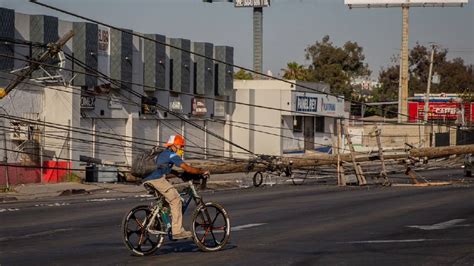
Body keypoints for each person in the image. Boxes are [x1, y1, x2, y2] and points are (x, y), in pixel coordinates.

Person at [143, 134, 209, 240]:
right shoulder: (171, 155)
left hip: (147, 179)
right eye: (180, 146)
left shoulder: (162, 154)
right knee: (176, 199)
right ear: (173, 145)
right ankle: (177, 231)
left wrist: (180, 175)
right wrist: (201, 171)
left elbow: (169, 171)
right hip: (156, 179)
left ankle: (158, 222)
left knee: (167, 202)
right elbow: (187, 168)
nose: (182, 149)